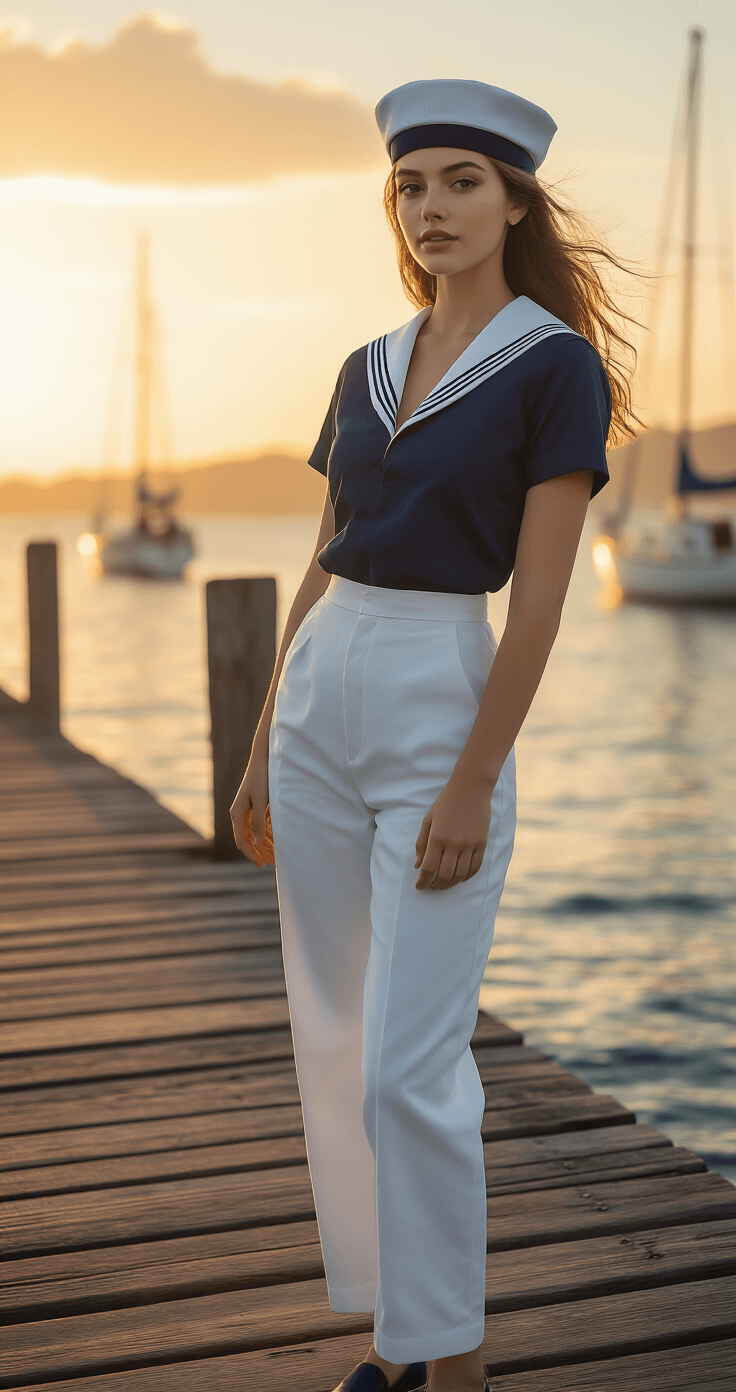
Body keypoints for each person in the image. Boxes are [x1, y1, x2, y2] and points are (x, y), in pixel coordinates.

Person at [230, 77, 637, 1392]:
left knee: (413, 1062)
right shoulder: (367, 364)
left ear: (516, 201)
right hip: (321, 685)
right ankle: (398, 1337)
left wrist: (473, 779)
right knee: (338, 1042)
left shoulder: (555, 367)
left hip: (437, 692)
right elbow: (318, 560)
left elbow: (538, 607)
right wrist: (253, 754)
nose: (433, 207)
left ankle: (451, 1370)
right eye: (411, 185)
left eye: (463, 181)